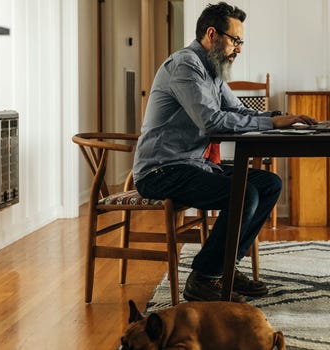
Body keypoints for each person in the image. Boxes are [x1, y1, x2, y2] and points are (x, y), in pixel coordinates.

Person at [133, 1, 316, 303]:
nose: (239, 48)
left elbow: (238, 111)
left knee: (269, 184)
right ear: (212, 34)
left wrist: (283, 116)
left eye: (241, 41)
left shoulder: (213, 71)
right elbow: (211, 121)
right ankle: (203, 278)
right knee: (245, 194)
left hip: (194, 166)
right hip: (161, 170)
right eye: (235, 40)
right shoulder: (186, 65)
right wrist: (272, 122)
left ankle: (225, 266)